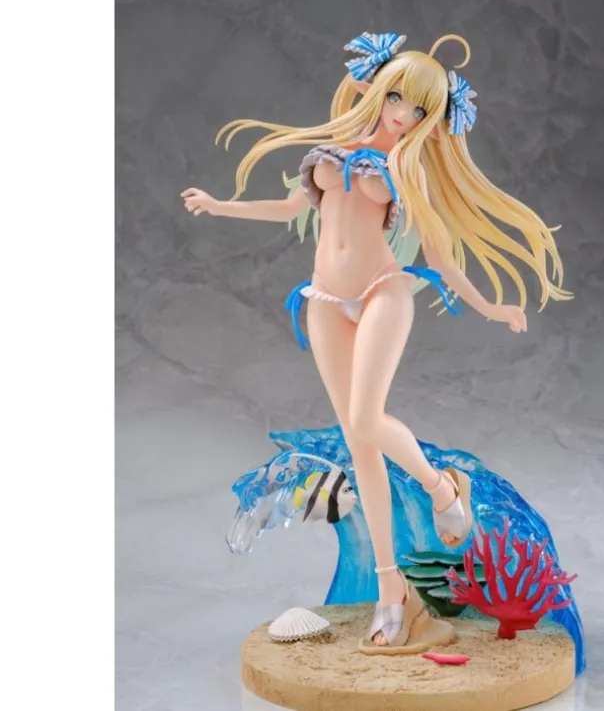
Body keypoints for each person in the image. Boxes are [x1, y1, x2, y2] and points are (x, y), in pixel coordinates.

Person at [181, 32, 571, 654]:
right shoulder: (331, 151)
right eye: (397, 98)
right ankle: (391, 592)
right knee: (359, 443)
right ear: (376, 87)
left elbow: (439, 256)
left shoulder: (409, 171)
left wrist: (489, 307)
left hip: (383, 292)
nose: (403, 114)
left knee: (366, 419)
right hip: (323, 300)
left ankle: (443, 488)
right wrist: (221, 205)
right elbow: (290, 209)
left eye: (419, 109)